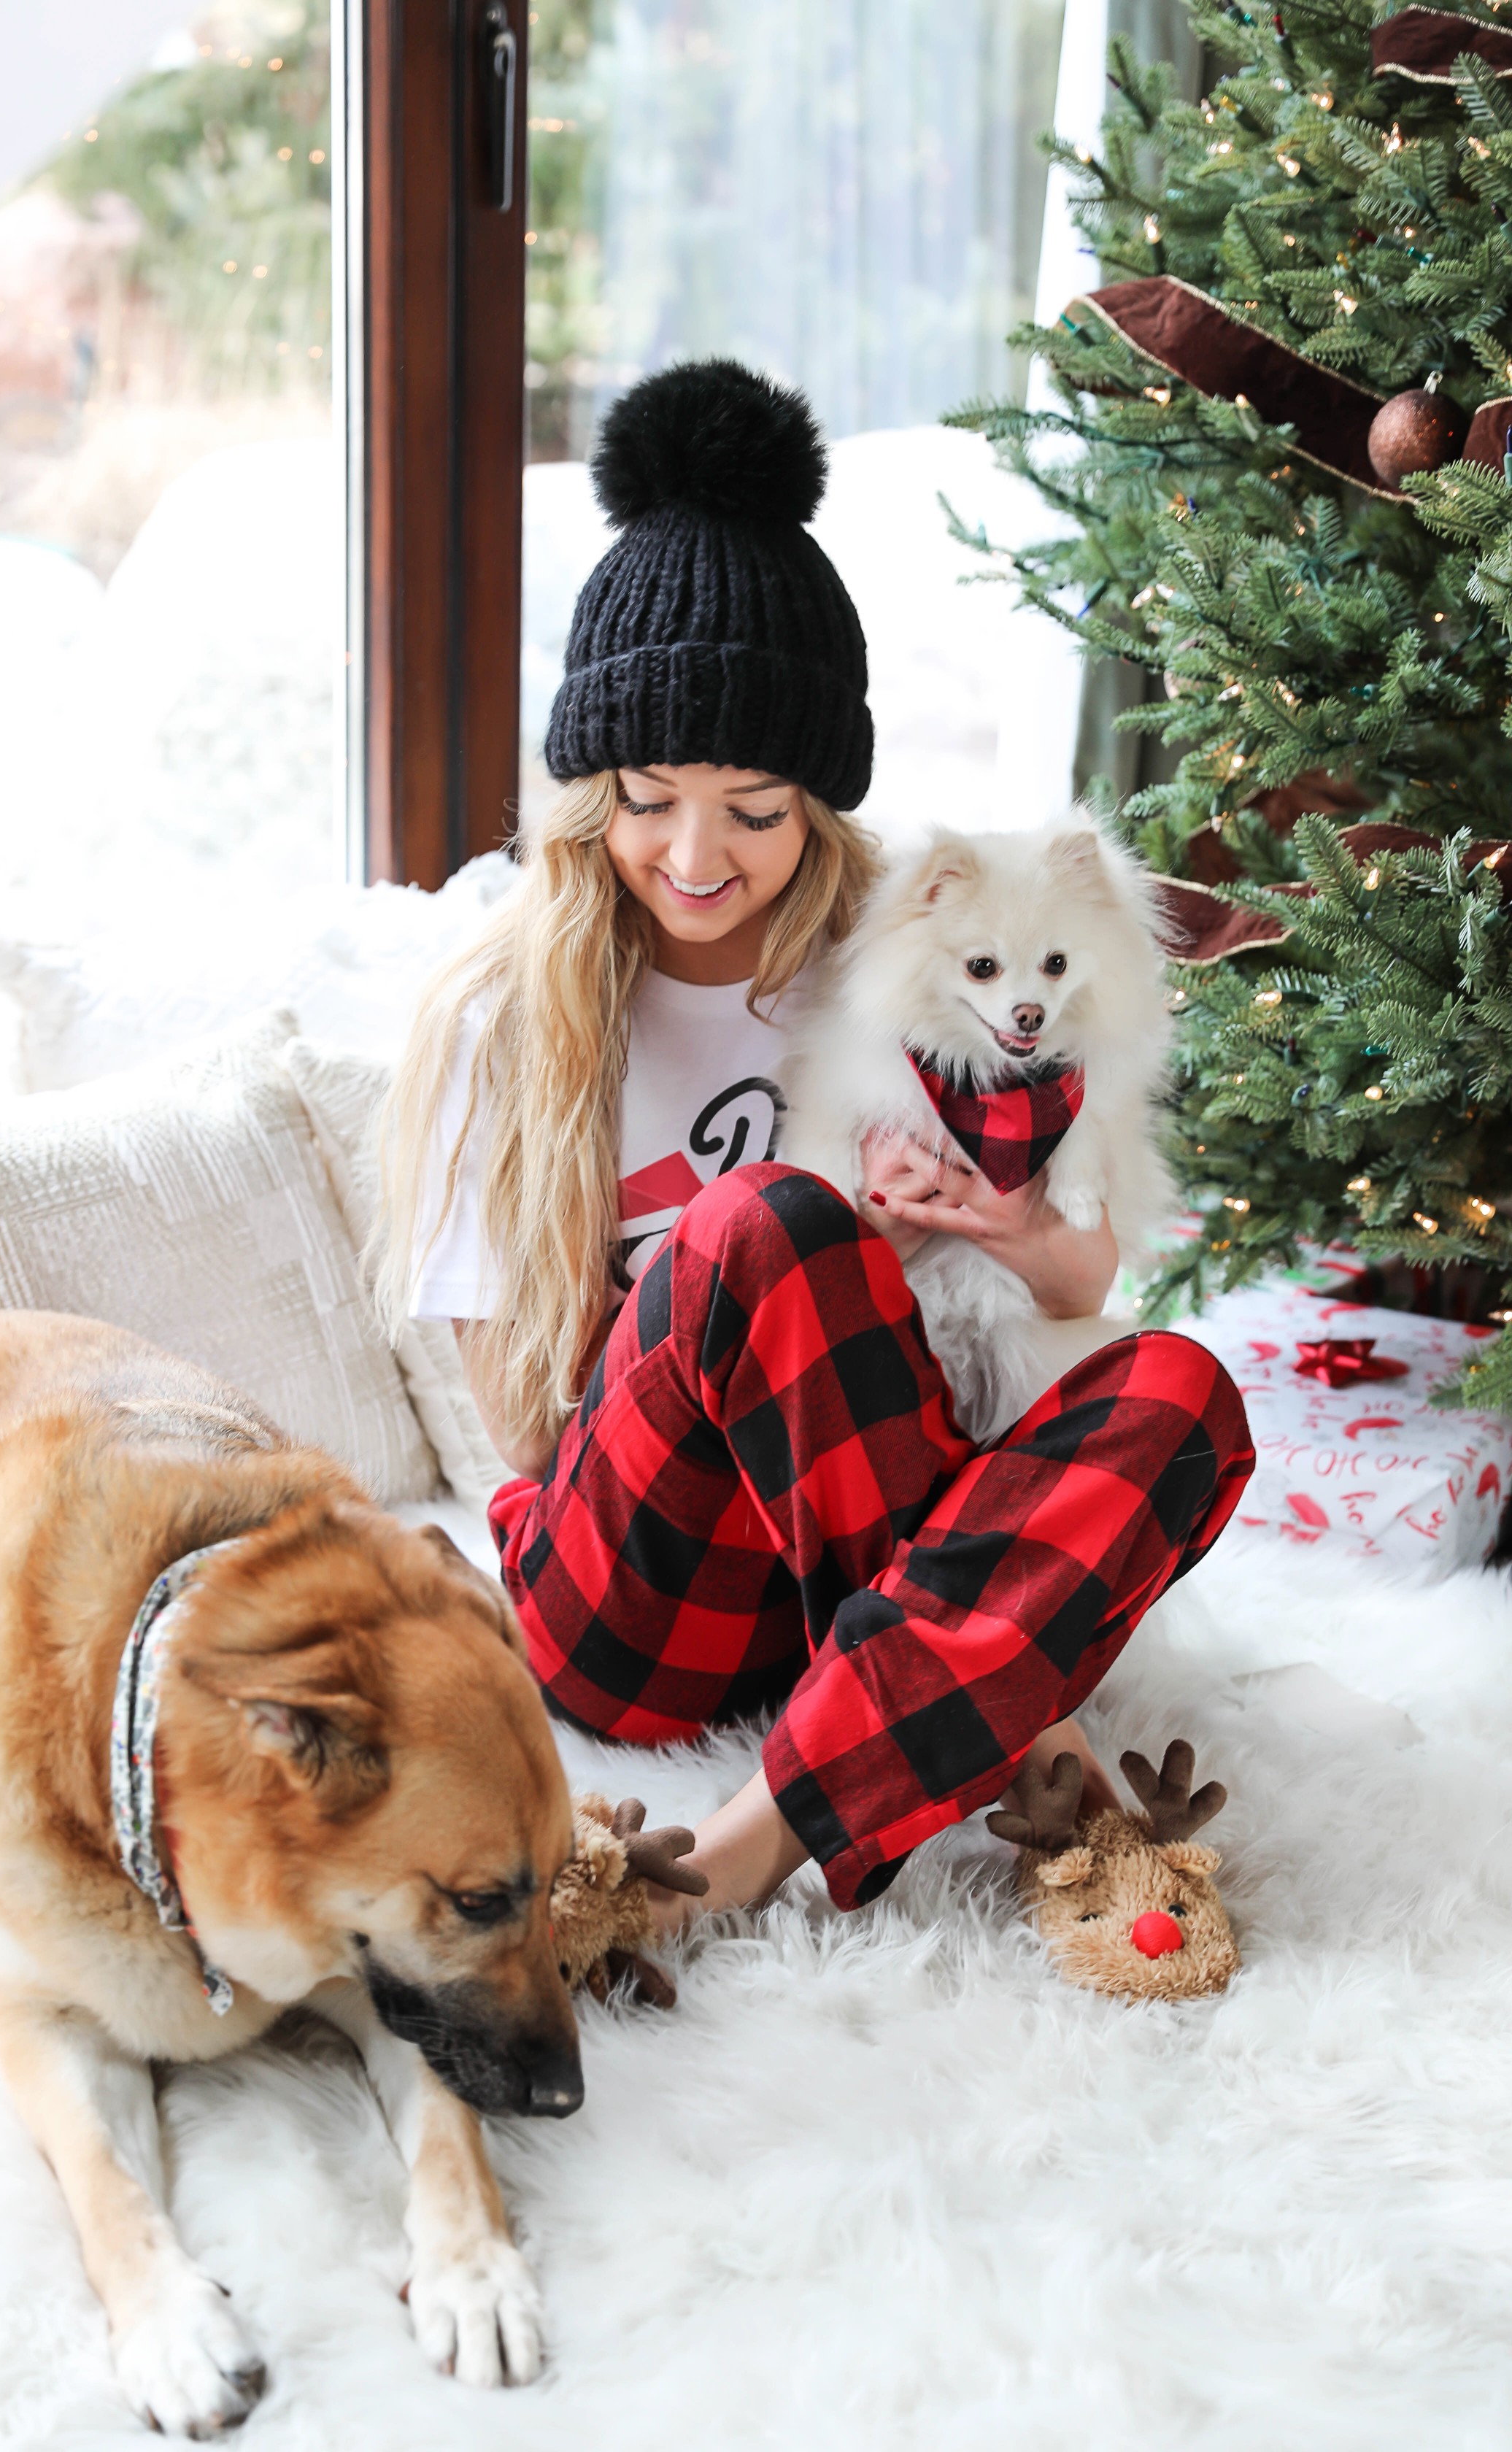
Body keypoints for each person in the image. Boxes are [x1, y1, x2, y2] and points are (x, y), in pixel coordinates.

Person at [375, 358, 1251, 1933]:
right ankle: (998, 1713)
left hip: (858, 1601)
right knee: (770, 1225)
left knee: (1181, 1396)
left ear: (826, 809)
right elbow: (509, 1414)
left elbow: (1076, 1269)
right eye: (648, 798)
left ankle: (753, 1841)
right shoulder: (504, 1015)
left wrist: (975, 1229)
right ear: (595, 793)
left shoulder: (912, 966)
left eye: (756, 810)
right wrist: (783, 1283)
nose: (695, 857)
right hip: (645, 1590)